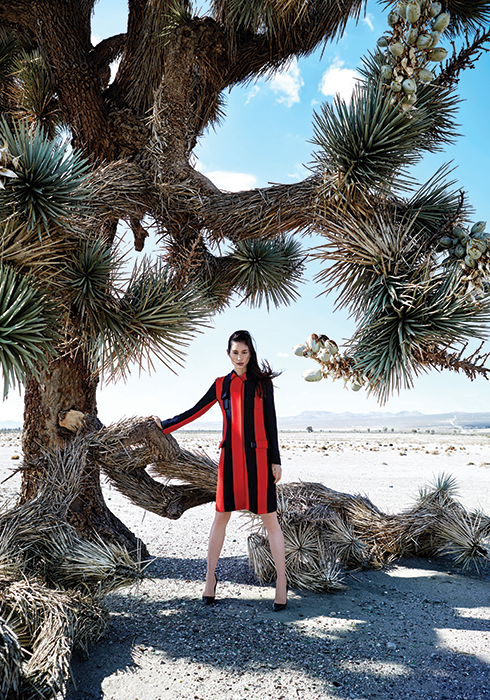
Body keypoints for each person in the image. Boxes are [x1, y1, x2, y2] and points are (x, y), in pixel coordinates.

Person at [154, 330, 288, 611]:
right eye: (235, 352)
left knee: (270, 521)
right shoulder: (220, 385)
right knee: (220, 518)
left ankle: (281, 582)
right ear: (228, 354)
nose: (239, 358)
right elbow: (195, 411)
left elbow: (271, 422)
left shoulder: (263, 385)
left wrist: (275, 460)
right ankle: (209, 579)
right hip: (230, 461)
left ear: (251, 353)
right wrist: (164, 425)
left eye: (244, 352)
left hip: (259, 460)